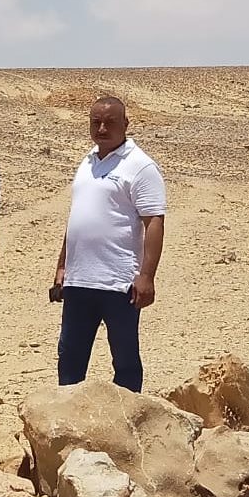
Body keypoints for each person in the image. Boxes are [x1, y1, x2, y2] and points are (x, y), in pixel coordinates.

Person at [53, 97, 166, 393]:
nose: (102, 129)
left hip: (119, 282)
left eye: (110, 123)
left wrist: (147, 276)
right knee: (70, 358)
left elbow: (154, 222)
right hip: (79, 280)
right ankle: (69, 417)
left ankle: (129, 416)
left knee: (125, 360)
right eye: (96, 123)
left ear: (125, 124)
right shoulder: (88, 161)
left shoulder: (140, 166)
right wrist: (62, 265)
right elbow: (78, 217)